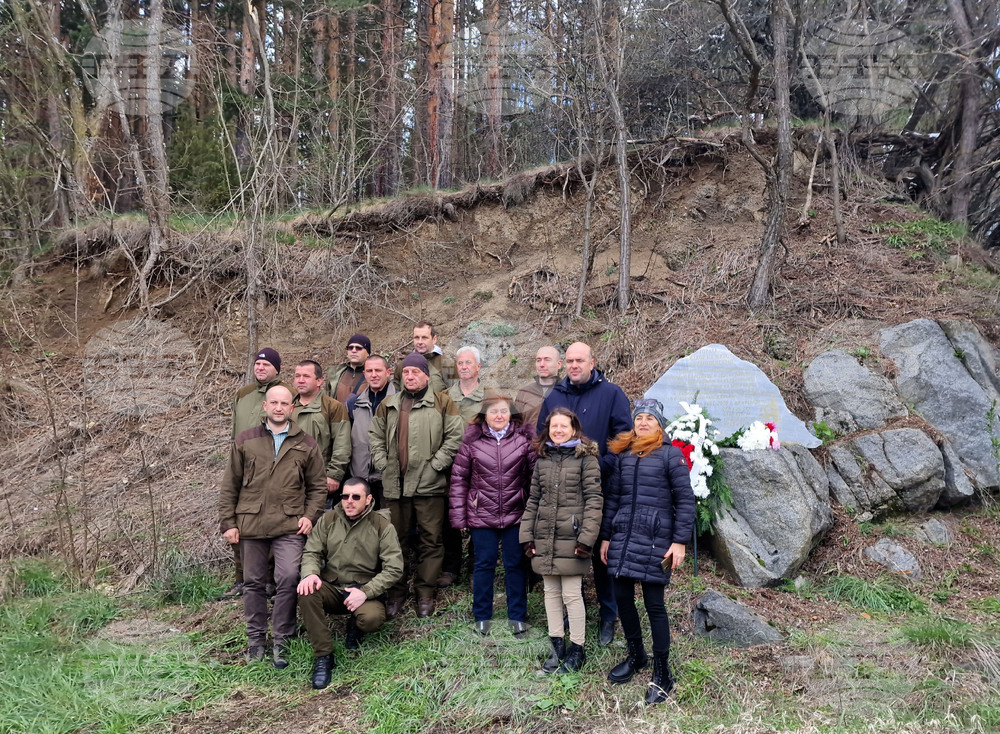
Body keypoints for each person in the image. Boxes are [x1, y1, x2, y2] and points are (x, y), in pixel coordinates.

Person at [219, 385, 326, 668]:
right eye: (274, 403)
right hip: (250, 524)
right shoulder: (245, 440)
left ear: (292, 408)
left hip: (289, 525)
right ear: (265, 406)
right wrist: (228, 523)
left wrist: (310, 516)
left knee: (289, 578)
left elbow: (317, 487)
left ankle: (282, 639)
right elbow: (230, 485)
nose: (279, 408)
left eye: (284, 404)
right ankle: (255, 641)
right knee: (253, 584)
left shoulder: (306, 443)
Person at [600, 398, 696, 704]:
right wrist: (605, 537)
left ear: (660, 425)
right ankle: (636, 655)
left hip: (656, 542)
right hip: (624, 540)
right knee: (623, 601)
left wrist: (679, 542)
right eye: (639, 417)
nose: (643, 422)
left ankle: (663, 672)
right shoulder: (623, 456)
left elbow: (685, 500)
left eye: (650, 419)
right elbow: (612, 499)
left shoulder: (671, 455)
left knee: (655, 606)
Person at [536, 342, 632, 646]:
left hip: (598, 486)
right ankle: (564, 617)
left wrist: (603, 464)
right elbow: (541, 436)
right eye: (570, 361)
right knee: (564, 552)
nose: (574, 365)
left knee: (601, 555)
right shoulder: (556, 396)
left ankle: (607, 615)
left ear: (592, 363)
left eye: (580, 360)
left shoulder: (612, 394)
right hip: (560, 491)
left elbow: (623, 437)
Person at [370, 351, 464, 619]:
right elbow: (374, 435)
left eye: (416, 372)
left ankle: (425, 593)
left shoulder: (442, 403)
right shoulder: (388, 404)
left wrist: (436, 465)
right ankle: (397, 594)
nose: (410, 377)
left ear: (426, 376)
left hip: (429, 486)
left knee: (430, 540)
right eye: (406, 373)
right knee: (394, 542)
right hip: (394, 486)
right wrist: (381, 461)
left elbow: (455, 437)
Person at [297, 477, 404, 689]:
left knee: (371, 619)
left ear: (368, 499)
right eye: (345, 496)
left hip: (363, 592)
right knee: (307, 591)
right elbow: (312, 551)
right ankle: (324, 655)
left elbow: (394, 568)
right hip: (333, 587)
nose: (349, 501)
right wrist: (310, 574)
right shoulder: (328, 520)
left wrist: (365, 592)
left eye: (356, 497)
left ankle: (356, 625)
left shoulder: (382, 525)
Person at [519, 408, 603, 674]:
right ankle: (557, 648)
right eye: (553, 426)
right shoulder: (543, 459)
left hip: (573, 538)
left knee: (571, 594)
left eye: (563, 426)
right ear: (548, 430)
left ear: (574, 429)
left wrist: (587, 538)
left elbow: (594, 500)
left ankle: (578, 649)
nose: (558, 431)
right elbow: (533, 500)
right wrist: (526, 534)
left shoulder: (586, 458)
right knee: (550, 593)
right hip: (544, 535)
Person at [449, 391, 535, 637]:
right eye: (494, 411)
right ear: (484, 415)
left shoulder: (523, 441)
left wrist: (531, 511)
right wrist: (460, 516)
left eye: (504, 411)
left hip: (515, 513)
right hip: (481, 514)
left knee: (515, 565)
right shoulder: (471, 443)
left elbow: (533, 479)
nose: (499, 415)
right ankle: (482, 616)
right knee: (484, 565)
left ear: (512, 414)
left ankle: (517, 616)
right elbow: (458, 480)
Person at [221, 347, 287, 601]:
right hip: (242, 467)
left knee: (268, 524)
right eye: (258, 365)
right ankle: (242, 578)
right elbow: (234, 431)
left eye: (266, 365)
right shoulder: (243, 394)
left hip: (269, 470)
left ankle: (268, 580)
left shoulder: (283, 395)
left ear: (277, 369)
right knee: (238, 522)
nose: (261, 369)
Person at [292, 360, 352, 502]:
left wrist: (334, 475)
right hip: (289, 482)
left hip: (318, 482)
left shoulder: (332, 407)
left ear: (319, 381)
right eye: (297, 376)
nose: (300, 380)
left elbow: (342, 444)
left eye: (306, 376)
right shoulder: (287, 406)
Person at [346, 354, 397, 509]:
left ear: (388, 373)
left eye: (378, 370)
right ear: (364, 374)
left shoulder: (400, 401)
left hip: (389, 478)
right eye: (369, 371)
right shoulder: (353, 404)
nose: (373, 375)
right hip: (360, 477)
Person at [393, 321, 456, 393]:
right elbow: (396, 394)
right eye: (417, 338)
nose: (420, 342)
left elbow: (455, 394)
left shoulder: (447, 365)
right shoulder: (403, 365)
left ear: (434, 339)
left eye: (424, 337)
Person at [514, 346, 563, 429]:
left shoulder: (568, 392)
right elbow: (515, 426)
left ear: (559, 364)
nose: (542, 364)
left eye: (547, 360)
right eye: (538, 360)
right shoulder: (525, 392)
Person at [325, 334, 371, 404]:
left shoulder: (374, 375)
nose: (354, 350)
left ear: (368, 353)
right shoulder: (335, 374)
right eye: (350, 348)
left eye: (358, 348)